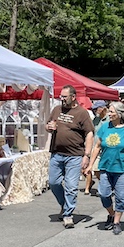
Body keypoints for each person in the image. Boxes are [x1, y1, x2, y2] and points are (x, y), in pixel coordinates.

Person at [84, 102, 124, 235]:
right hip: (106, 167)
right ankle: (112, 214)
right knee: (104, 194)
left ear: (120, 113)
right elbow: (97, 146)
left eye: (112, 112)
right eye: (109, 111)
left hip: (123, 169)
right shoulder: (105, 127)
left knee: (121, 197)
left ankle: (116, 222)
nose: (109, 114)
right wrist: (90, 165)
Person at [47, 85, 95, 228]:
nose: (61, 99)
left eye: (64, 96)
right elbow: (48, 124)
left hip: (74, 155)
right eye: (60, 96)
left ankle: (68, 214)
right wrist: (48, 127)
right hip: (57, 153)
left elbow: (89, 134)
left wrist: (87, 155)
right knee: (53, 182)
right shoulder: (57, 109)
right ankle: (64, 204)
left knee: (71, 186)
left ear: (73, 97)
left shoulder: (82, 113)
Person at [84, 100, 109, 196]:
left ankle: (106, 186)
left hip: (105, 147)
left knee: (99, 169)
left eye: (96, 109)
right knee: (95, 169)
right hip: (95, 147)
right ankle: (105, 185)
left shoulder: (108, 119)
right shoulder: (96, 119)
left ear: (102, 108)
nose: (94, 111)